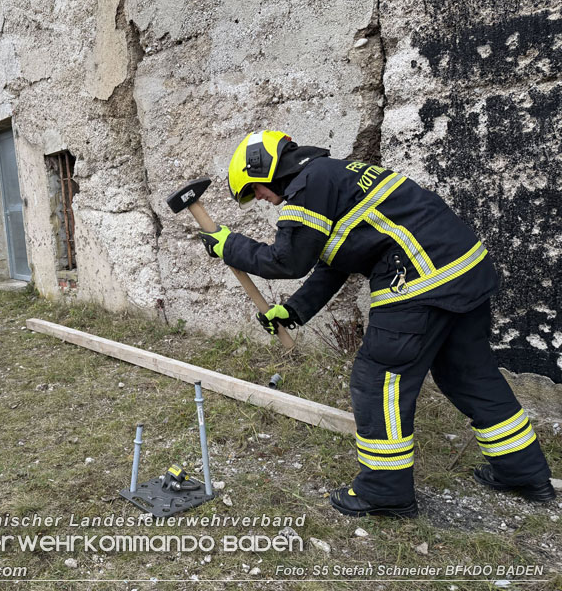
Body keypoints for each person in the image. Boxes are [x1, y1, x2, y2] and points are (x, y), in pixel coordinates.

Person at [199, 130, 555, 517]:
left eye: (256, 190)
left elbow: (287, 261)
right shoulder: (336, 175)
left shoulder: (309, 183)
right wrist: (295, 311)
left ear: (264, 168)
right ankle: (523, 472)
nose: (263, 200)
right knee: (470, 375)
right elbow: (336, 262)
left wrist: (229, 244)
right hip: (463, 273)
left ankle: (385, 492)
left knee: (379, 379)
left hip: (421, 280)